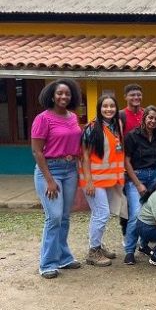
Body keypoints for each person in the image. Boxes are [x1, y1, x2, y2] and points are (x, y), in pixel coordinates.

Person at [31, 79, 83, 279]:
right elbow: (37, 151)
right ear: (52, 96)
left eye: (67, 94)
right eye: (60, 93)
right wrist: (49, 180)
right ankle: (47, 263)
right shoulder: (43, 119)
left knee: (64, 217)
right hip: (49, 170)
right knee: (53, 217)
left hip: (70, 170)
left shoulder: (72, 117)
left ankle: (63, 257)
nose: (64, 97)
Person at [79, 94, 125, 267]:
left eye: (112, 106)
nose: (109, 109)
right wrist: (89, 181)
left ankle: (97, 245)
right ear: (99, 108)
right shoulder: (92, 127)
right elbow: (84, 155)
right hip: (93, 180)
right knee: (102, 213)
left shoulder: (116, 125)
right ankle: (93, 251)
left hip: (108, 180)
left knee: (99, 213)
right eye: (105, 106)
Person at [122, 105, 156, 265]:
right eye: (150, 117)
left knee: (151, 214)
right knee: (136, 214)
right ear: (144, 118)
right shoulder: (132, 136)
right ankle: (129, 250)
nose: (152, 121)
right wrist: (138, 184)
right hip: (136, 177)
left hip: (154, 176)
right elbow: (126, 161)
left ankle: (144, 244)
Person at [118, 83, 144, 240]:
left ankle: (142, 235)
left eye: (138, 95)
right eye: (132, 95)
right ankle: (126, 235)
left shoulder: (145, 113)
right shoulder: (120, 115)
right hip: (126, 166)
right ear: (125, 97)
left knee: (144, 203)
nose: (136, 98)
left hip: (144, 165)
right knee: (127, 204)